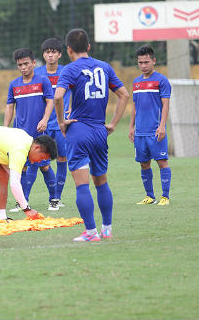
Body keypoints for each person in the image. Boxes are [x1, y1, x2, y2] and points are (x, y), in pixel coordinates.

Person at [55, 28, 129, 242]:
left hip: (79, 130)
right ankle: (106, 229)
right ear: (88, 47)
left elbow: (58, 96)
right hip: (99, 131)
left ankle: (90, 232)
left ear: (69, 50)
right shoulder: (105, 67)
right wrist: (113, 123)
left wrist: (61, 122)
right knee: (102, 182)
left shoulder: (70, 69)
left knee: (82, 185)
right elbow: (124, 95)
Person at [3, 48, 55, 212]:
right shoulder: (14, 84)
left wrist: (45, 119)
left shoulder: (42, 81)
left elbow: (50, 101)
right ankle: (22, 201)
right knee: (21, 167)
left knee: (44, 166)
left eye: (26, 63)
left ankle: (54, 199)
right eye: (20, 65)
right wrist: (5, 128)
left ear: (33, 63)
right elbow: (10, 107)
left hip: (39, 134)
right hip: (19, 135)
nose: (23, 67)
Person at [128, 44, 172, 206]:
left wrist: (162, 126)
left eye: (146, 62)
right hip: (140, 132)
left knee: (162, 162)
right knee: (144, 163)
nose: (143, 66)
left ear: (154, 61)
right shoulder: (136, 82)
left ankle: (165, 197)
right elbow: (135, 106)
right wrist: (131, 127)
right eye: (140, 62)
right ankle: (150, 196)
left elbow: (165, 105)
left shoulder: (161, 80)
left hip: (155, 131)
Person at [33, 38, 71, 210]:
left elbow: (75, 91)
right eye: (47, 52)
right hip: (43, 125)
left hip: (62, 124)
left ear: (60, 54)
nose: (50, 54)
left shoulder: (67, 71)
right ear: (43, 54)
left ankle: (57, 197)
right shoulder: (37, 73)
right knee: (39, 161)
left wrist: (72, 109)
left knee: (62, 158)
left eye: (53, 51)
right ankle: (23, 200)